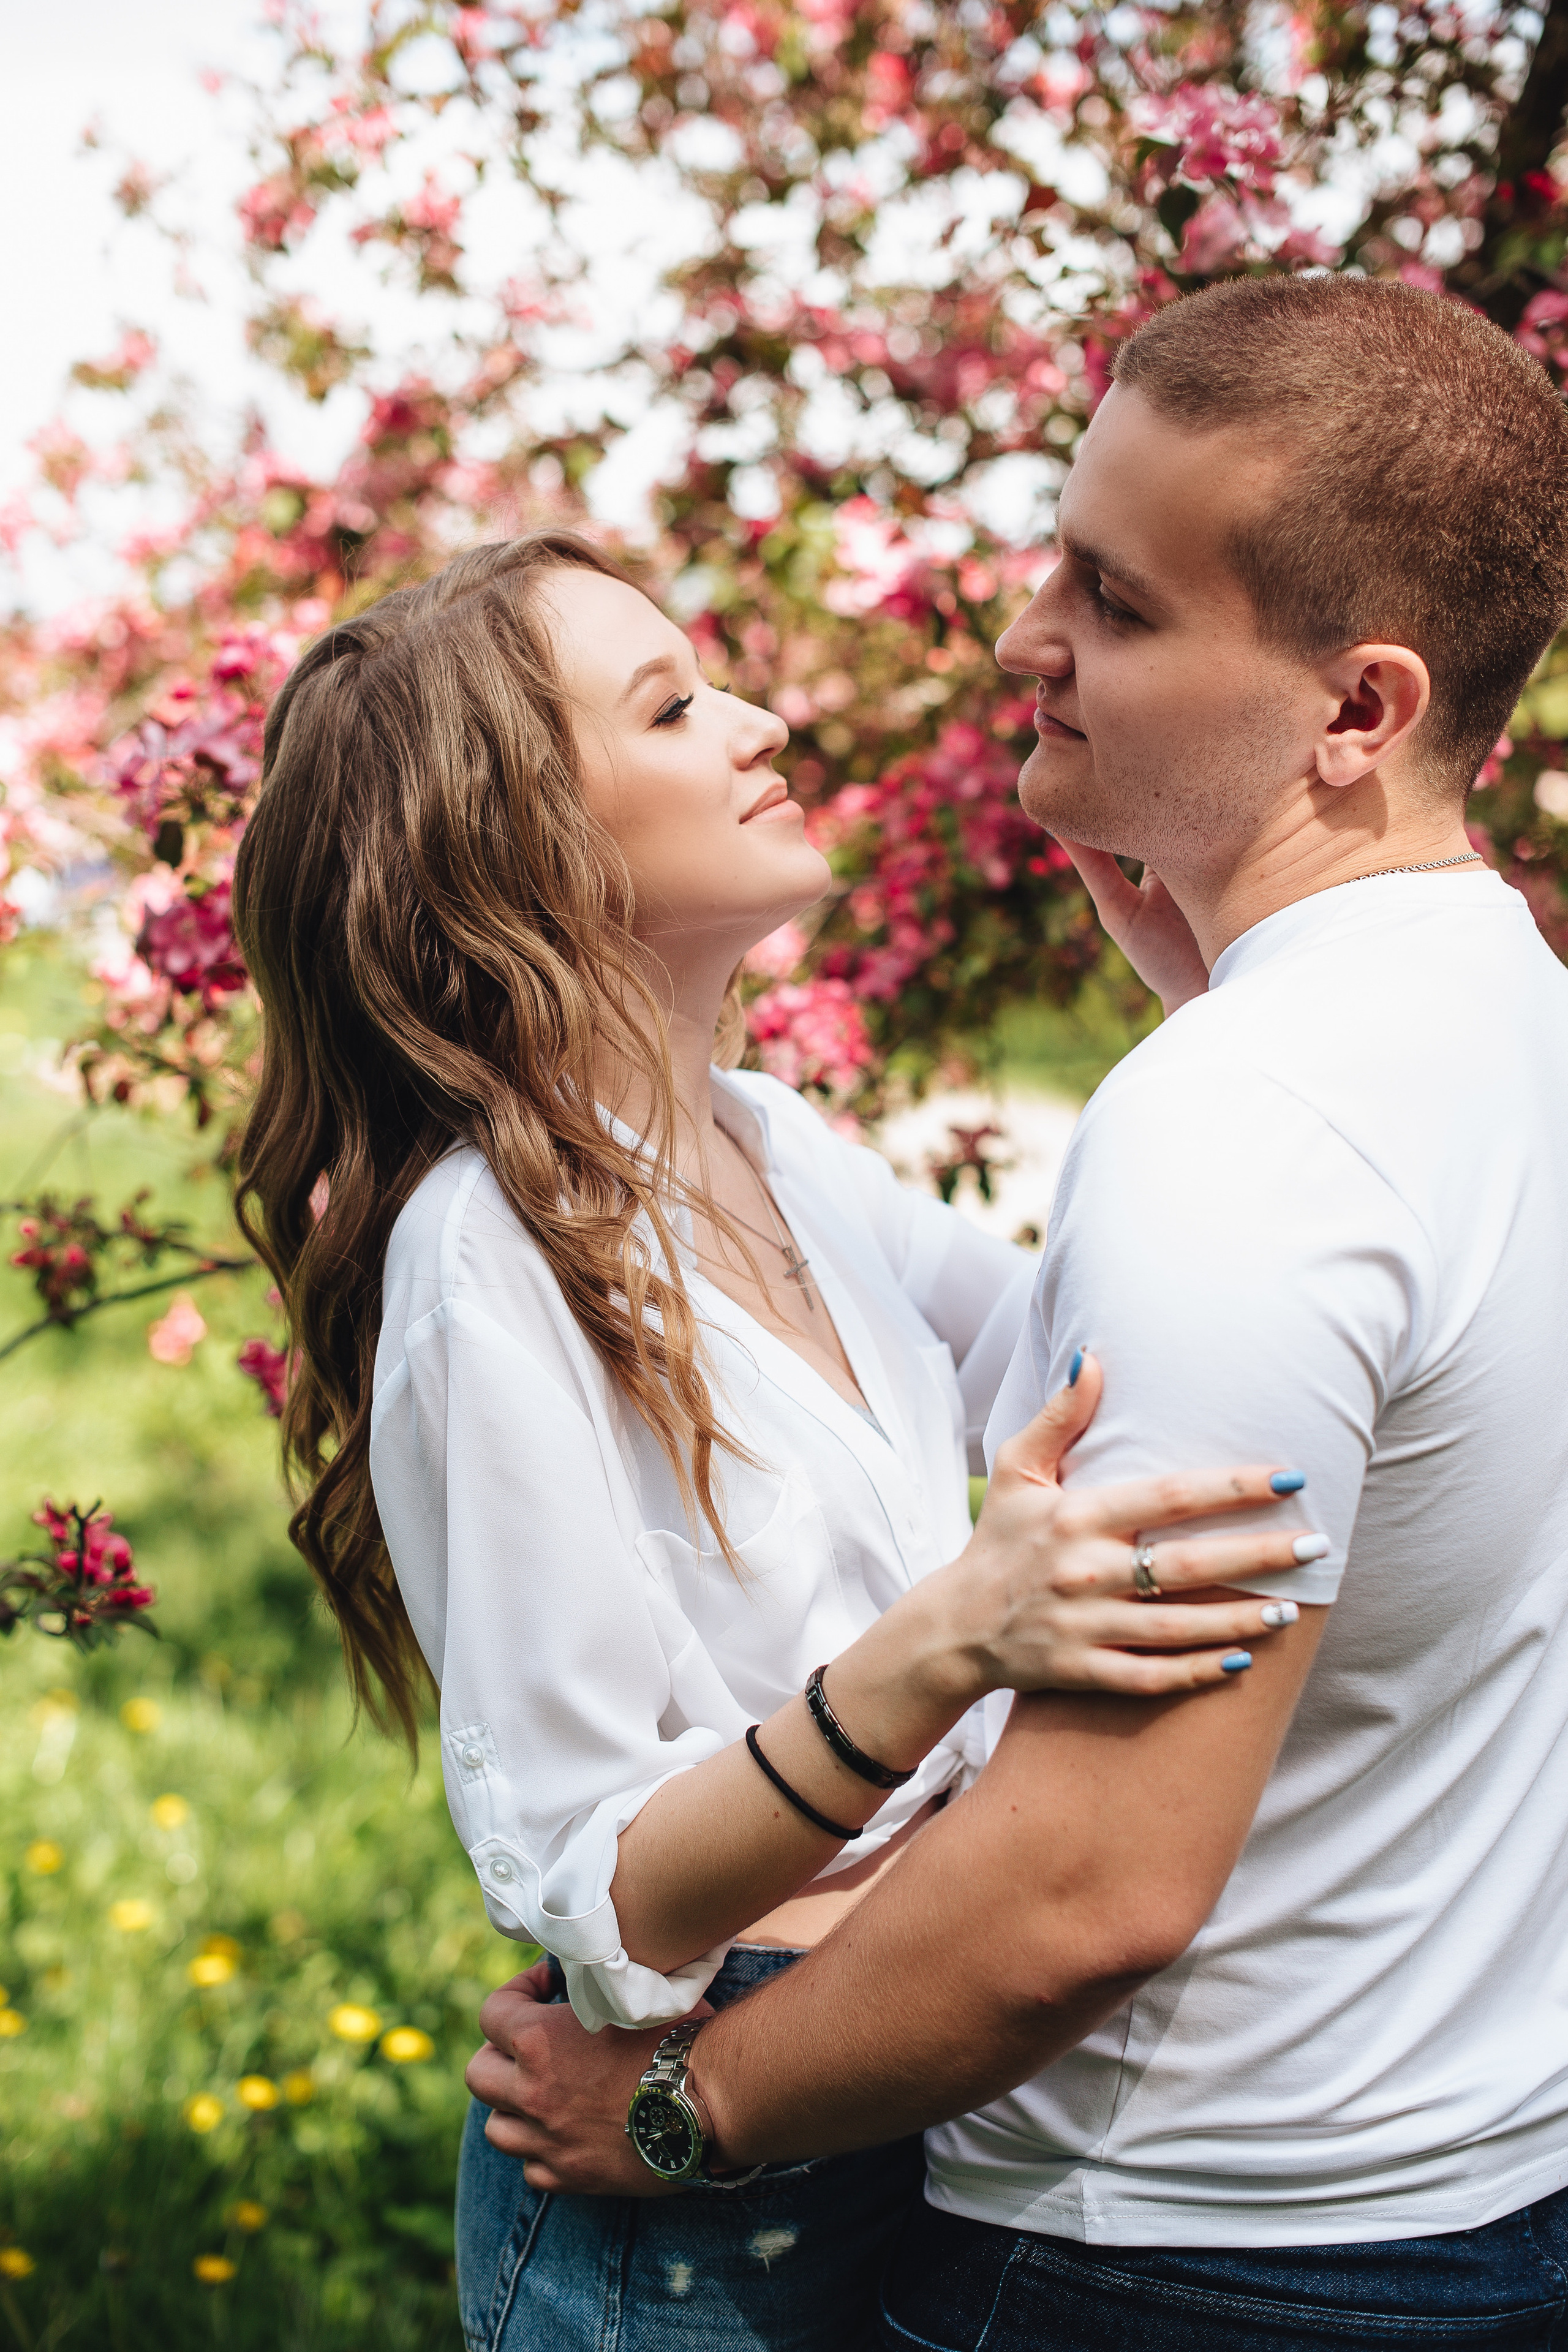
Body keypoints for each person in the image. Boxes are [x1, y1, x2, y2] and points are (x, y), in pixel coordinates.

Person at [469, 274, 1568, 2350]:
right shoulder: (1503, 1011)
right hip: (1469, 2186)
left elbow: (1092, 1886)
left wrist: (685, 2117)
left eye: (1122, 607)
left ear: (1361, 710)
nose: (1022, 643)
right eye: (1059, 561)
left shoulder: (1253, 1127)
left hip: (1169, 2245)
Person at [230, 530, 1313, 2352]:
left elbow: (1120, 1364)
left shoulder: (778, 1146)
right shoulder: (485, 1260)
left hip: (890, 2083)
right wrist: (939, 1649)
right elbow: (608, 1881)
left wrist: (1215, 1005)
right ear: (518, 849)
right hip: (687, 2206)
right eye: (673, 706)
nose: (758, 717)